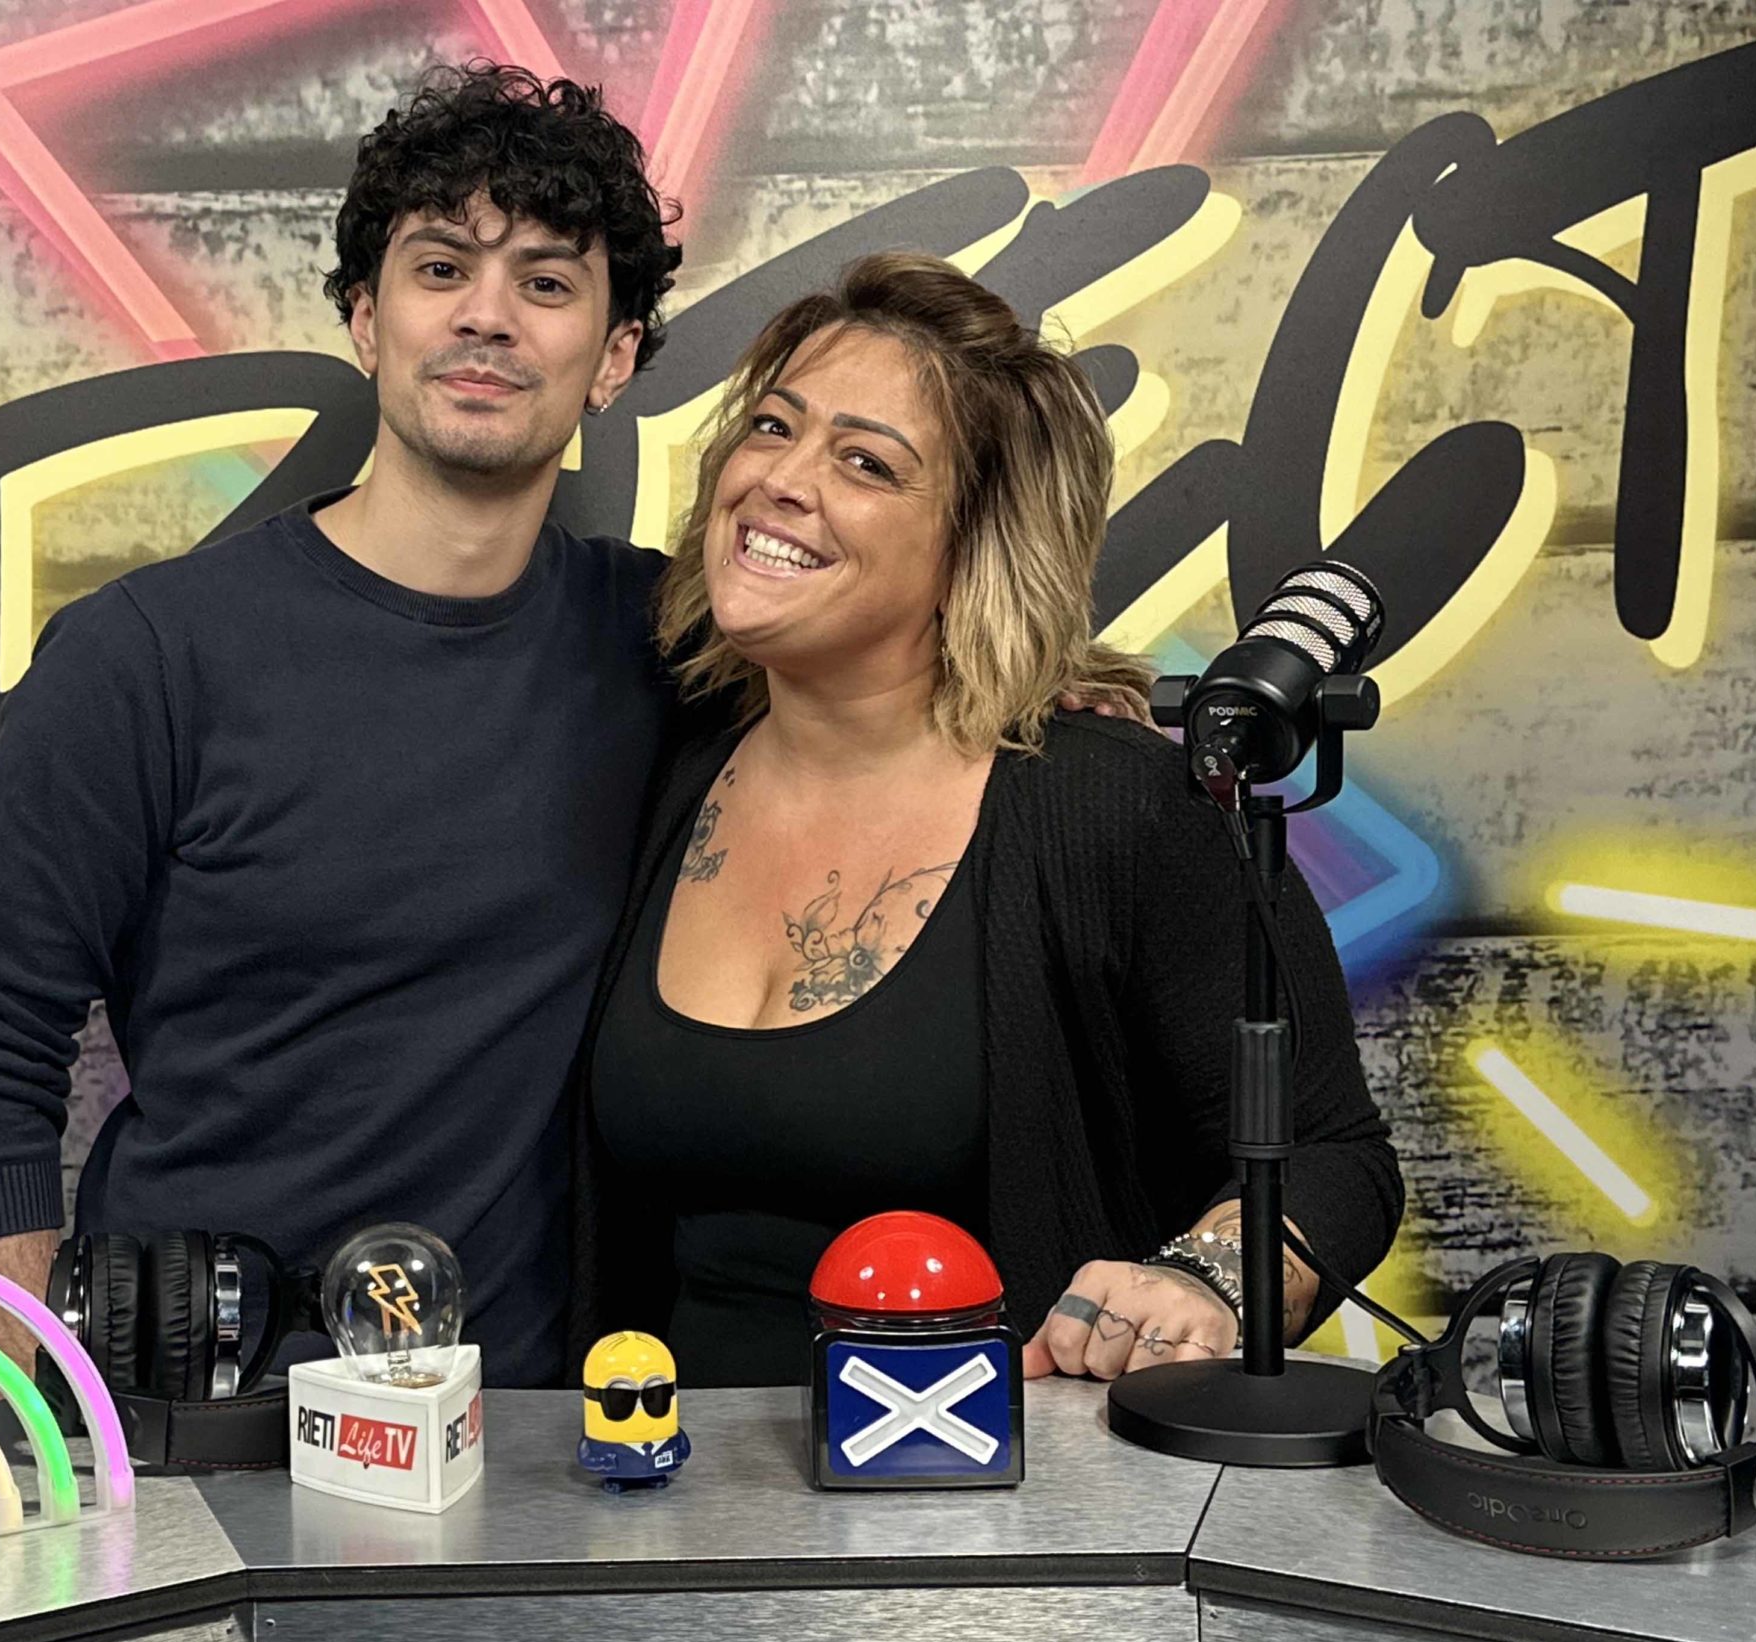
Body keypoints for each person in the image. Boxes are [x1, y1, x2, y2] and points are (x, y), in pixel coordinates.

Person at [0, 64, 682, 1389]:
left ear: (613, 357)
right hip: (194, 1418)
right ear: (366, 319)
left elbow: (897, 673)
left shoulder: (667, 644)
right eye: (440, 268)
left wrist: (1032, 684)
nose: (486, 314)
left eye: (548, 283)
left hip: (518, 1432)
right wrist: (31, 1394)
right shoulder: (145, 656)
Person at [578, 253, 1404, 1387]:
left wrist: (1205, 1278)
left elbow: (1334, 1159)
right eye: (771, 426)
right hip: (666, 1475)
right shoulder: (665, 747)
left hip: (998, 1485)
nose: (780, 479)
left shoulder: (1111, 804)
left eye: (866, 461)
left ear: (974, 543)